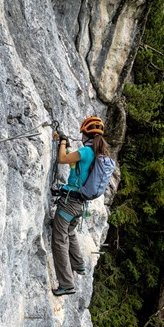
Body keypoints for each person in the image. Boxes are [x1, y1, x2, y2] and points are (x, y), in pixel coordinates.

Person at [51, 116, 111, 296]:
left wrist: (62, 142)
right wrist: (66, 145)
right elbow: (73, 163)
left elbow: (62, 159)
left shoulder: (85, 151)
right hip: (80, 205)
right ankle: (79, 264)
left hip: (70, 203)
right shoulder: (97, 154)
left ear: (85, 134)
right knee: (70, 232)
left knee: (59, 239)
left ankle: (67, 284)